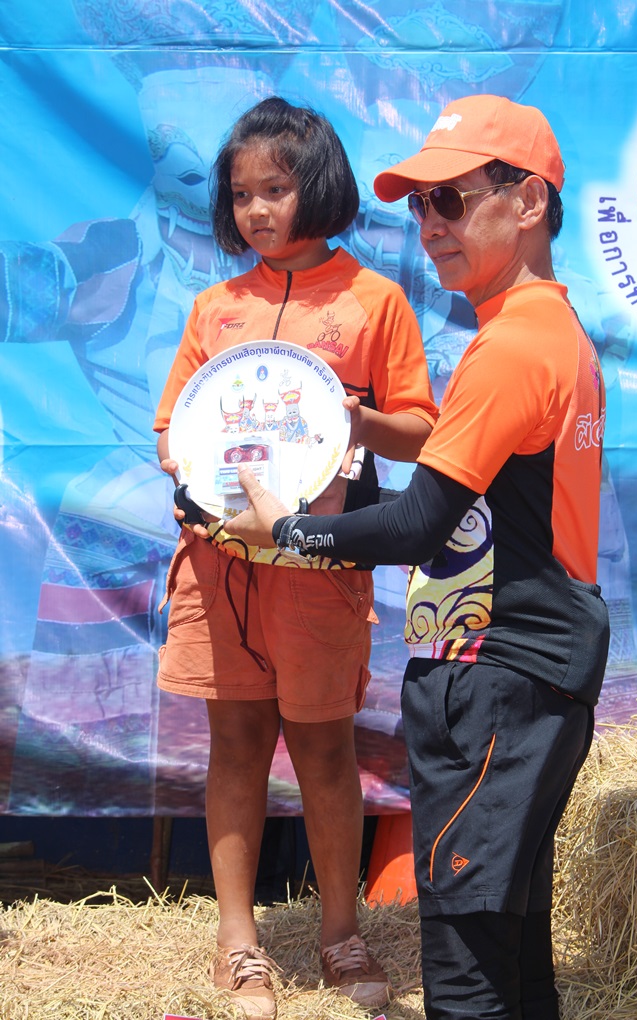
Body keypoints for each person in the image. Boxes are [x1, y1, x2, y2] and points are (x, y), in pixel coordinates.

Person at [227, 93, 611, 1020]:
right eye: (419, 206)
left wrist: (289, 531)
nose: (429, 225)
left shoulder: (513, 346)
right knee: (510, 944)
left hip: (497, 675)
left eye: (450, 200)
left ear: (528, 202)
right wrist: (353, 438)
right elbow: (464, 503)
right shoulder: (548, 333)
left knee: (469, 963)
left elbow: (417, 526)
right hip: (528, 668)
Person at [153, 96, 438, 1020]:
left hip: (320, 574)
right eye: (241, 195)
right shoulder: (215, 307)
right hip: (218, 570)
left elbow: (419, 429)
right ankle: (238, 945)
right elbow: (170, 430)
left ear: (319, 186)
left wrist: (355, 420)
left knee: (323, 750)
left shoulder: (373, 301)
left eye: (274, 189)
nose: (256, 211)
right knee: (235, 747)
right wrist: (186, 461)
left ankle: (340, 934)